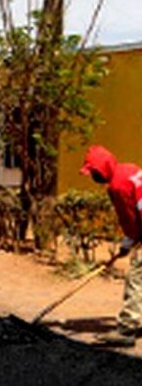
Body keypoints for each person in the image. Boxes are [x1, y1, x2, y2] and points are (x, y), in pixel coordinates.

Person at [81, 145, 142, 347]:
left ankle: (126, 329)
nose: (93, 178)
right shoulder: (129, 168)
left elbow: (130, 218)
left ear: (103, 168)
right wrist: (129, 242)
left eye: (94, 173)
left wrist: (129, 241)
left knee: (136, 278)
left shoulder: (117, 186)